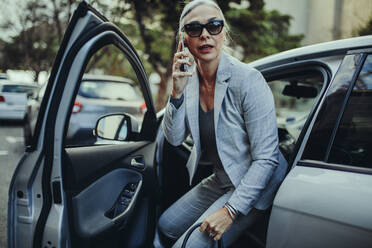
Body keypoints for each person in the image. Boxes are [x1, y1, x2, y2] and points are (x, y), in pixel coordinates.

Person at [154, 0, 288, 247]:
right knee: (165, 226)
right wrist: (176, 93)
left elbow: (267, 158)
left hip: (256, 184)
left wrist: (230, 211)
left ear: (223, 32)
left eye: (214, 26)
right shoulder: (189, 80)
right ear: (183, 39)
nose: (204, 34)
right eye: (194, 28)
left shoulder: (248, 80)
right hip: (222, 178)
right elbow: (174, 138)